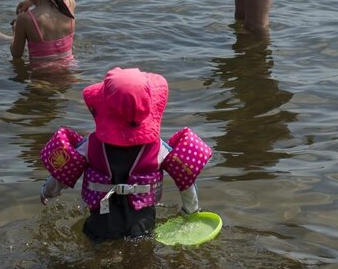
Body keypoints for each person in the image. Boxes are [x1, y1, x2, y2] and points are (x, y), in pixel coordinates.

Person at [39, 67, 213, 241]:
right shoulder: (158, 148)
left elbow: (62, 174)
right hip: (142, 225)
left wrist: (47, 192)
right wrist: (190, 212)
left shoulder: (90, 145)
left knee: (98, 258)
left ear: (105, 108)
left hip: (101, 224)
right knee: (141, 259)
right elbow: (185, 179)